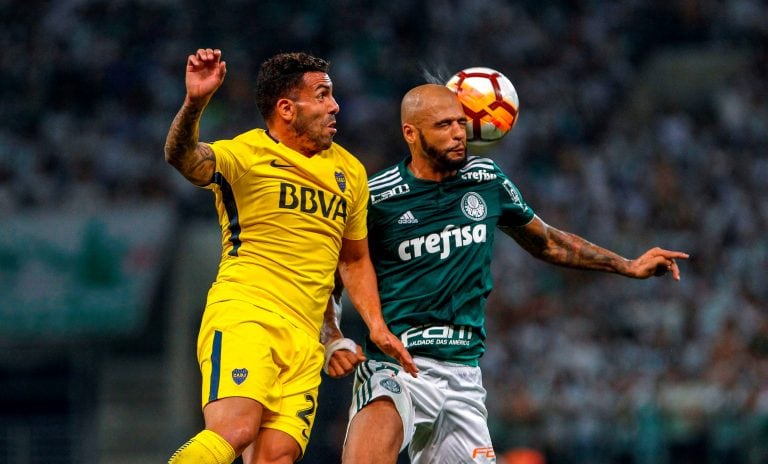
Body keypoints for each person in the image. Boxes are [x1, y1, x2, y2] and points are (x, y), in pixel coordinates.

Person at [327, 83, 689, 463]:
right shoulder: (377, 197)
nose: (457, 133)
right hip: (397, 363)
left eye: (460, 122)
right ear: (410, 133)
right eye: (443, 125)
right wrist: (334, 337)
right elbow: (335, 274)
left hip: (462, 371)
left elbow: (547, 241)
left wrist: (627, 264)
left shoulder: (486, 179)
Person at [163, 48, 416, 464]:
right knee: (235, 430)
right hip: (248, 313)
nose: (335, 106)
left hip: (304, 335)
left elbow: (352, 261)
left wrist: (373, 327)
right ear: (286, 108)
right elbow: (183, 156)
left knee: (277, 457)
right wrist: (195, 103)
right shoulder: (245, 156)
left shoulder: (350, 172)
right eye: (322, 95)